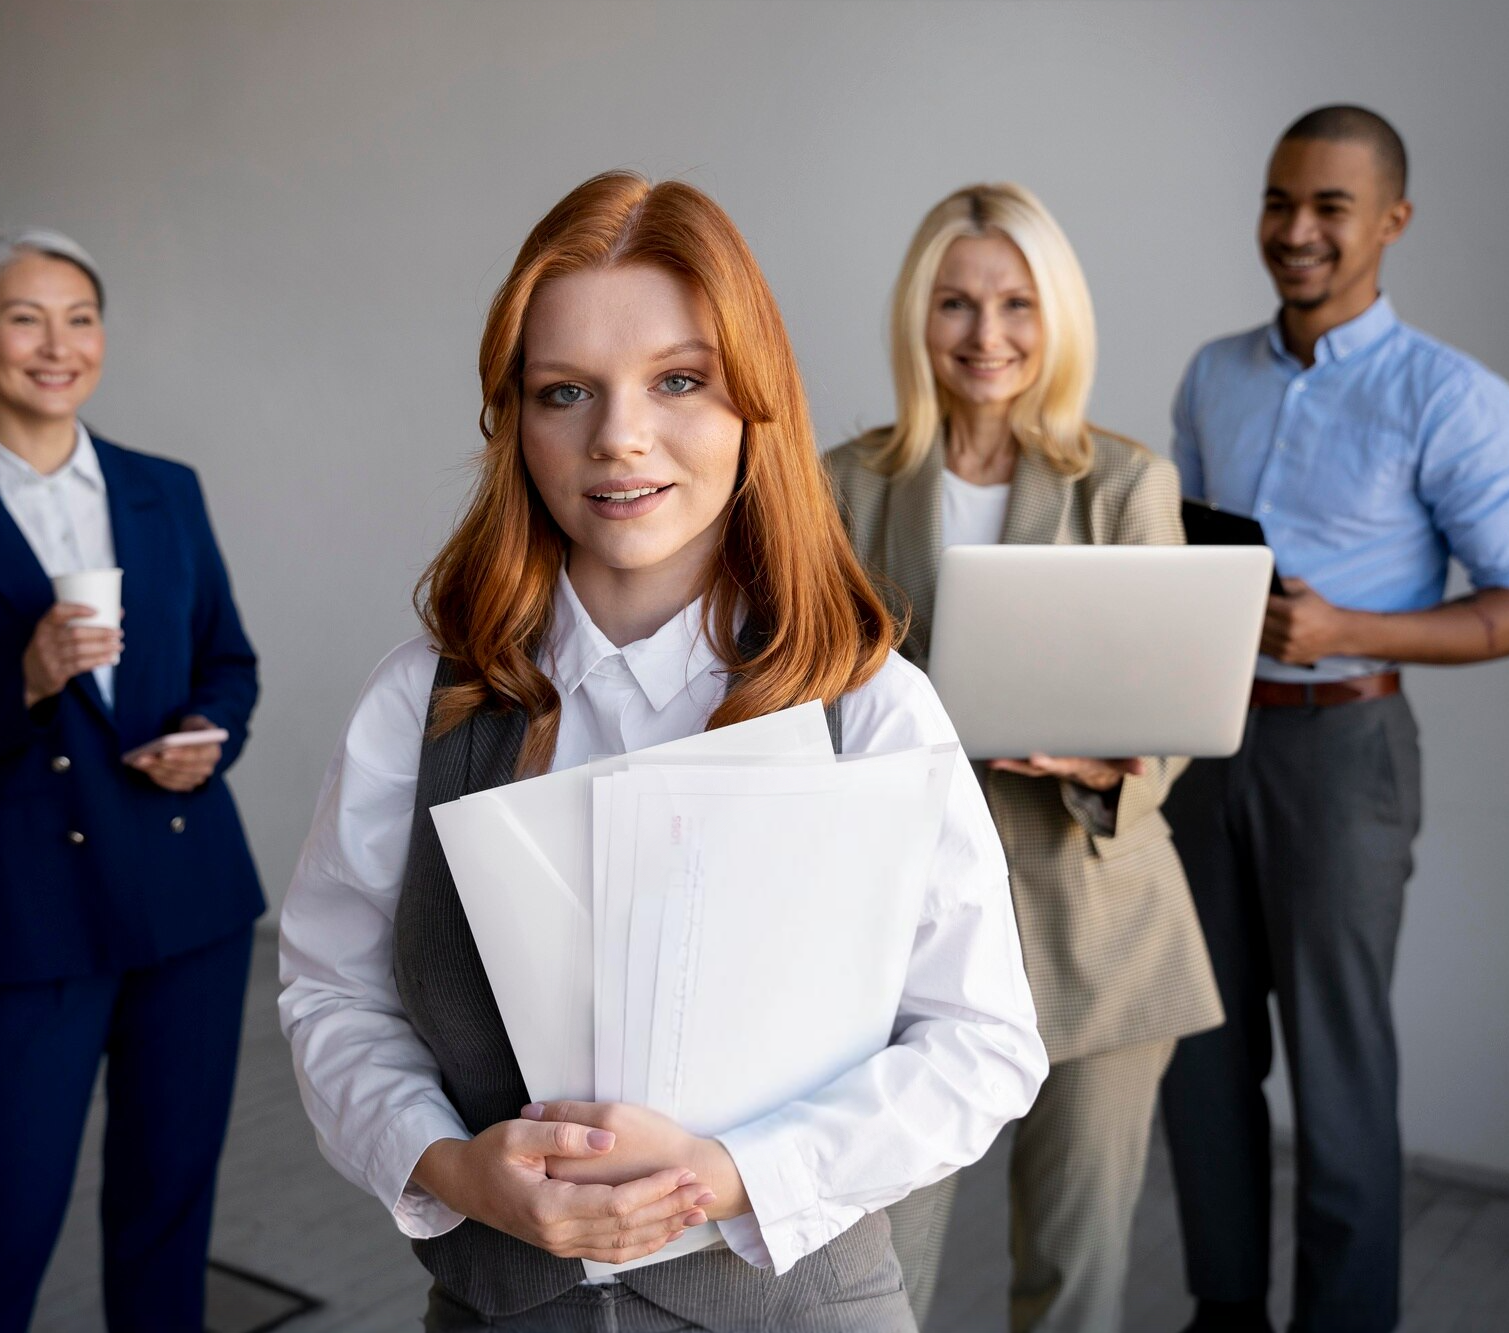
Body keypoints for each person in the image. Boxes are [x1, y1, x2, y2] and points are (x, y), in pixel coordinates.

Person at [278, 171, 1048, 1333]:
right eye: (564, 391)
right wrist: (446, 1163)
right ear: (513, 421)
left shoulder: (870, 707)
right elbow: (333, 992)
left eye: (677, 380)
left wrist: (731, 1174)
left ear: (754, 400)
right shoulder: (421, 702)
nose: (617, 438)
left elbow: (981, 1043)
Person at [1159, 106, 1509, 1333]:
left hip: (1344, 751)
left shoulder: (1451, 396)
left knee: (1335, 1076)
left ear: (1389, 220)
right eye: (1278, 201)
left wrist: (1349, 631)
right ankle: (1223, 1310)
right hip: (1202, 746)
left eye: (1327, 207)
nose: (1293, 231)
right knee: (1198, 1058)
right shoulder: (1212, 374)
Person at [827, 182, 1225, 1333]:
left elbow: (1174, 716)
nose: (985, 335)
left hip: (1090, 925)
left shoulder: (1125, 482)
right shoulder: (841, 482)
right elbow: (790, 687)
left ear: (1056, 318)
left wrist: (1107, 763)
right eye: (954, 302)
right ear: (917, 315)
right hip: (894, 942)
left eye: (1014, 304)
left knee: (1070, 1278)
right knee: (873, 1274)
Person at [0, 229, 265, 1332]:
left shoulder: (163, 492)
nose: (56, 343)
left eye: (78, 317)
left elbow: (229, 659)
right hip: (25, 927)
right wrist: (25, 677)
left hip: (189, 909)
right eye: (25, 317)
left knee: (166, 1220)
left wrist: (209, 731)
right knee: (0, 1228)